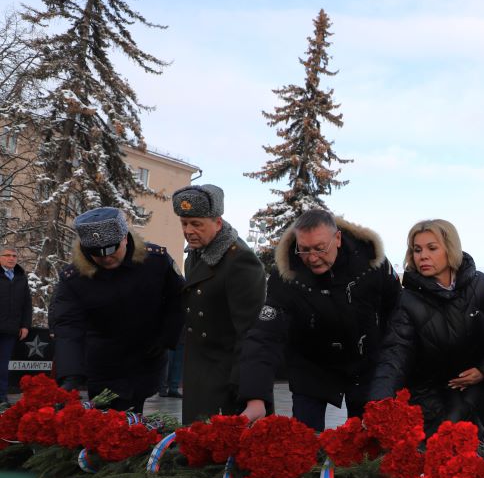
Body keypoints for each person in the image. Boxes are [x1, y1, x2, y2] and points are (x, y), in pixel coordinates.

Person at [239, 209, 401, 430]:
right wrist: (255, 398)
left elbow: (397, 315)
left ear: (338, 239)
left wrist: (390, 373)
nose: (312, 258)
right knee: (304, 442)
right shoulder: (287, 275)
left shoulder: (372, 262)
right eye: (304, 250)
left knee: (367, 446)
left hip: (366, 366)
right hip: (310, 367)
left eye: (319, 248)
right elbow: (264, 336)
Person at [369, 219, 484, 441]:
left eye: (432, 248)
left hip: (477, 398)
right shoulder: (407, 300)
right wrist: (379, 402)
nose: (422, 256)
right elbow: (394, 353)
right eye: (417, 250)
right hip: (428, 402)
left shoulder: (483, 286)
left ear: (450, 249)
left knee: (476, 464)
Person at [49, 208, 184, 413]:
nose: (106, 258)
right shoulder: (74, 278)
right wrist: (70, 377)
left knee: (138, 423)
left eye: (112, 249)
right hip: (103, 362)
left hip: (147, 357)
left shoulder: (155, 261)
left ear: (125, 239)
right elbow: (68, 326)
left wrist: (166, 337)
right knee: (105, 425)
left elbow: (179, 298)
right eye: (97, 253)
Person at [173, 184, 265, 423]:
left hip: (225, 376)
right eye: (184, 223)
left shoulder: (240, 260)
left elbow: (249, 329)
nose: (189, 231)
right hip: (200, 371)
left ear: (218, 222)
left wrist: (246, 389)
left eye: (196, 224)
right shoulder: (197, 252)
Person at [0, 246, 32, 403]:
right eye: (7, 255)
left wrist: (25, 325)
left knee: (3, 366)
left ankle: (1, 398)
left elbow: (27, 304)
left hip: (10, 330)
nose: (11, 258)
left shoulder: (21, 278)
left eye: (14, 256)